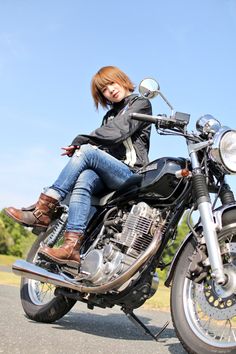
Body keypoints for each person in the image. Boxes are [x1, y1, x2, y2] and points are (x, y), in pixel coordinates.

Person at [5, 65, 152, 267]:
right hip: (110, 174)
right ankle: (71, 247)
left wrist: (81, 142)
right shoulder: (109, 116)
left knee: (87, 150)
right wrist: (81, 146)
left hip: (131, 173)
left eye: (111, 83)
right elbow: (104, 146)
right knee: (85, 177)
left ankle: (44, 209)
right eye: (104, 89)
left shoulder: (140, 103)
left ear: (121, 79)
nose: (110, 90)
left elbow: (117, 132)